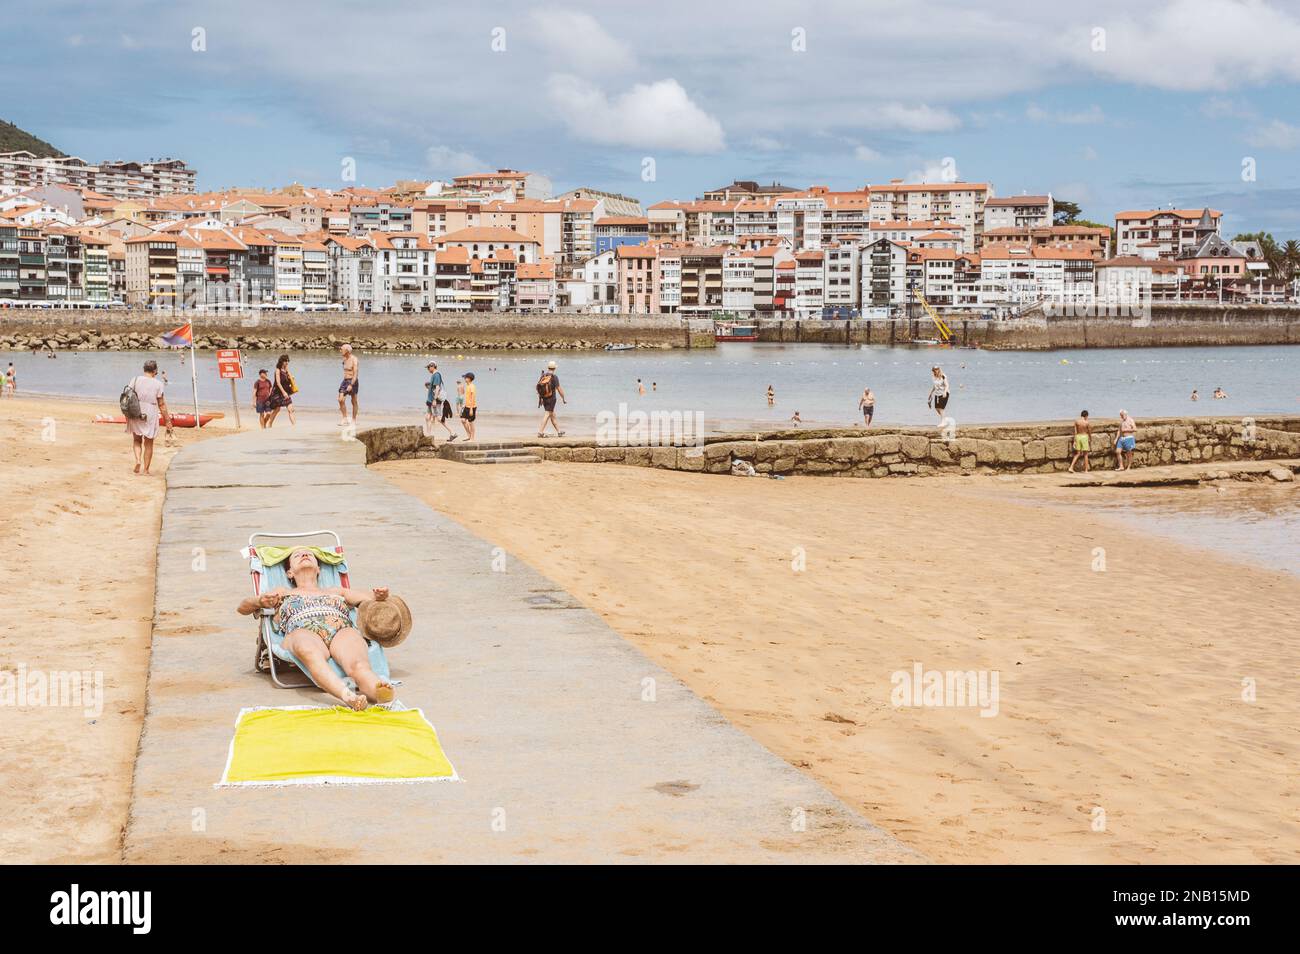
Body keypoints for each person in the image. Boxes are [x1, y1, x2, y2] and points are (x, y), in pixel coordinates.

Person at [236, 548, 395, 710]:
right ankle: (348, 696)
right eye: (297, 556)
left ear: (318, 569)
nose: (304, 555)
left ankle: (379, 692)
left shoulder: (336, 591)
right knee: (307, 648)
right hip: (302, 631)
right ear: (290, 573)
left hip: (341, 629)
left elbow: (368, 601)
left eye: (310, 555)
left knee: (358, 664)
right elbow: (242, 608)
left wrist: (380, 596)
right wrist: (260, 601)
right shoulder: (282, 592)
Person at [125, 359, 170, 476]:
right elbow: (161, 404)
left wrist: (126, 415)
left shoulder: (134, 380)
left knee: (136, 440)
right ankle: (146, 470)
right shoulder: (158, 384)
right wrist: (168, 421)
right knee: (149, 443)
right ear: (155, 371)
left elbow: (127, 397)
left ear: (144, 369)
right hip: (150, 412)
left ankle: (138, 460)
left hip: (136, 411)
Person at [536, 360, 567, 437]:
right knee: (547, 414)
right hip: (551, 399)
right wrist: (563, 397)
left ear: (548, 367)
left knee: (552, 415)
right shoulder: (554, 377)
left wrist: (541, 398)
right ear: (554, 368)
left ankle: (559, 432)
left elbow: (539, 388)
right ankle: (540, 432)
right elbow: (559, 389)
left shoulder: (543, 375)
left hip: (544, 398)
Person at [267, 354, 294, 427]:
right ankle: (270, 423)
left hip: (286, 392)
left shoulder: (286, 370)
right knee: (277, 409)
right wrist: (284, 392)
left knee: (290, 409)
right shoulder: (277, 370)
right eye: (285, 361)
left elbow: (290, 378)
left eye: (288, 361)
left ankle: (294, 426)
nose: (287, 362)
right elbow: (278, 383)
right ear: (282, 361)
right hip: (277, 393)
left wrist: (291, 377)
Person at [338, 343, 359, 425]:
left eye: (342, 349)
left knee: (354, 401)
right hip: (345, 381)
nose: (340, 351)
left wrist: (351, 384)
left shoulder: (354, 359)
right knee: (340, 399)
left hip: (353, 381)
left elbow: (355, 373)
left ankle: (353, 420)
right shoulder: (344, 359)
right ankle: (345, 418)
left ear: (347, 351)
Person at [461, 371, 477, 441]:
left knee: (471, 422)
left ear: (469, 379)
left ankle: (472, 438)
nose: (464, 379)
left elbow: (473, 398)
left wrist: (471, 409)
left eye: (465, 377)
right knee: (463, 420)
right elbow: (467, 396)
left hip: (472, 407)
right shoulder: (467, 386)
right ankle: (469, 435)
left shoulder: (472, 386)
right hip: (467, 406)